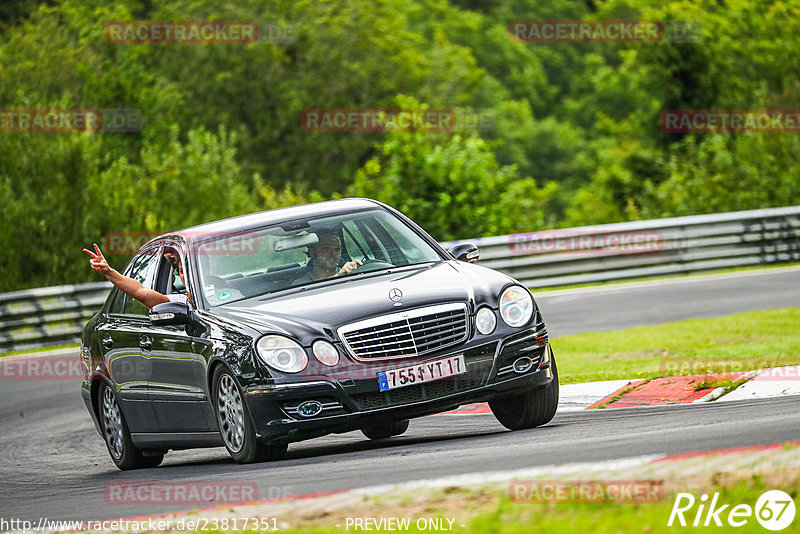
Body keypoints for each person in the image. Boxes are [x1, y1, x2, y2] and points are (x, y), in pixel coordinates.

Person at [83, 243, 192, 308]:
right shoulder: (180, 303)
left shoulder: (209, 293)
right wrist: (109, 272)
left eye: (191, 270)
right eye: (182, 271)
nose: (187, 275)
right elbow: (140, 292)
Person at [292, 231, 362, 285]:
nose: (333, 253)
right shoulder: (300, 284)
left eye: (337, 249)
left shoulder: (350, 274)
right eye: (326, 248)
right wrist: (339, 276)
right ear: (312, 252)